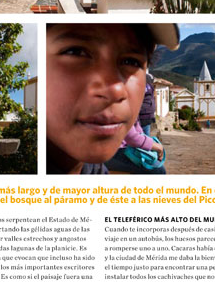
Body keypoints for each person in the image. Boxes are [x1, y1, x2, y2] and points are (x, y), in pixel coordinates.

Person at [47, 23, 179, 174]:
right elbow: (132, 137)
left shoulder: (95, 170)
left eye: (131, 62)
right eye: (76, 52)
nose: (116, 90)